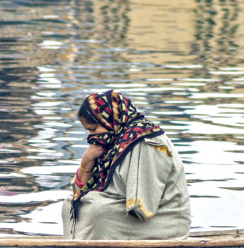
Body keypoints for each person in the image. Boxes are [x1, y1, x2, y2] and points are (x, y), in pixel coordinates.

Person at [62, 90, 190, 240]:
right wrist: (87, 159)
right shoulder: (111, 141)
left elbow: (142, 206)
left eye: (94, 129)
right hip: (123, 207)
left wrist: (97, 202)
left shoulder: (148, 142)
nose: (92, 136)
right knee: (70, 204)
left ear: (109, 120)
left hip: (165, 220)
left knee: (97, 211)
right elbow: (80, 192)